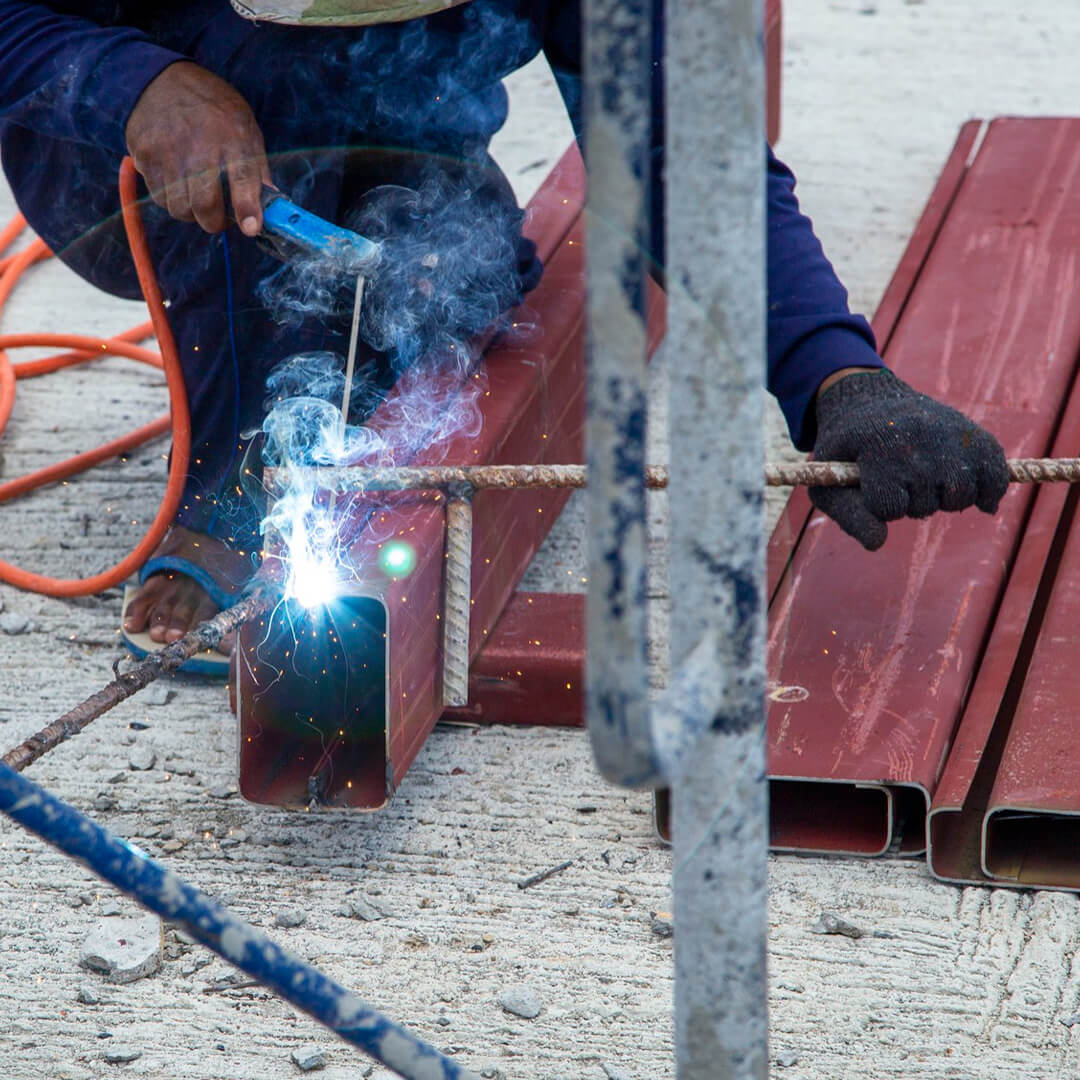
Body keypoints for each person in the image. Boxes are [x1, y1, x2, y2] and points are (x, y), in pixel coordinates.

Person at [0, 0, 1008, 652]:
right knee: (264, 172)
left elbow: (674, 146)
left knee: (450, 270)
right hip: (133, 138)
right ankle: (235, 485)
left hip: (387, 121)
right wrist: (129, 84)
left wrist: (835, 375)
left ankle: (334, 375)